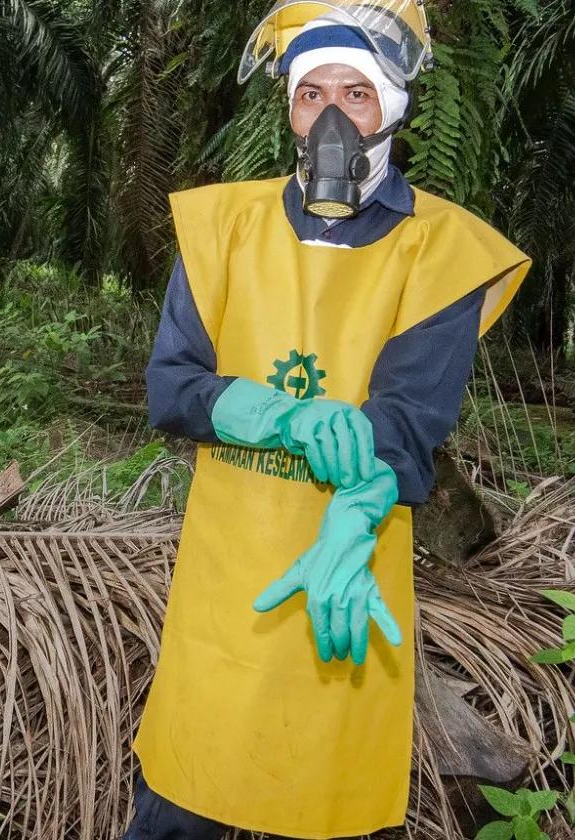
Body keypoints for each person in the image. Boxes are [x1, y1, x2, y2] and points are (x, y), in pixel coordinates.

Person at [126, 3, 531, 837]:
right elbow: (172, 387)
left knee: (332, 804)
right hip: (223, 584)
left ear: (394, 107)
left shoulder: (441, 252)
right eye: (311, 95)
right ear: (288, 109)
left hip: (350, 573)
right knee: (181, 803)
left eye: (357, 93)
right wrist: (276, 415)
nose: (332, 118)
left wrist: (361, 491)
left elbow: (410, 418)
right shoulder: (222, 228)